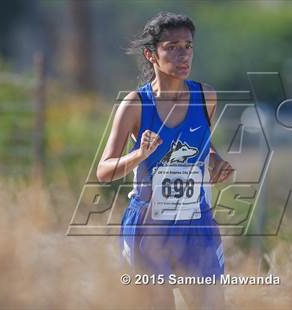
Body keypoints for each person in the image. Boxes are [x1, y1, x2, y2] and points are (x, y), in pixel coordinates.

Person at [96, 12, 233, 309]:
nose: (183, 54)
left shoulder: (205, 97)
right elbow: (104, 171)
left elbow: (201, 146)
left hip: (197, 224)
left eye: (188, 46)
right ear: (151, 55)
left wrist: (215, 160)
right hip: (149, 227)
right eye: (171, 46)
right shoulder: (135, 104)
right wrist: (139, 155)